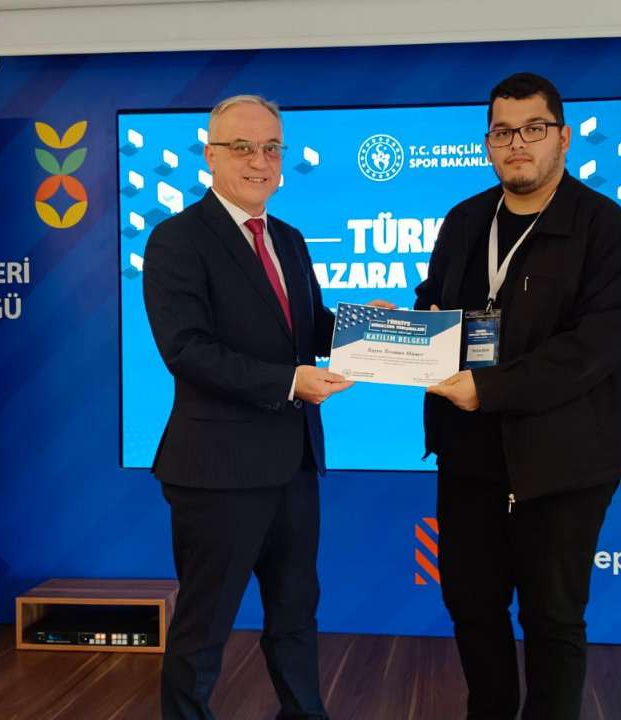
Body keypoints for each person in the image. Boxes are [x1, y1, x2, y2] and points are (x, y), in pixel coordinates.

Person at [417, 72, 621, 719]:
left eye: (533, 129)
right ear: (488, 143)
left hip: (565, 461)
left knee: (552, 617)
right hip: (470, 452)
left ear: (563, 138)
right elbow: (438, 307)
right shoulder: (465, 221)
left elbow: (591, 350)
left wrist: (488, 388)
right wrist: (400, 330)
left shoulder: (606, 229)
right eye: (502, 132)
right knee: (471, 606)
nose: (517, 143)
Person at [142, 94, 351, 720]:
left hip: (293, 464)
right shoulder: (177, 239)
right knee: (204, 628)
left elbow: (306, 330)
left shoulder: (288, 238)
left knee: (296, 617)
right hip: (217, 472)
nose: (260, 161)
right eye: (243, 147)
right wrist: (290, 382)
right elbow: (187, 351)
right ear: (210, 155)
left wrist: (366, 331)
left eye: (271, 148)